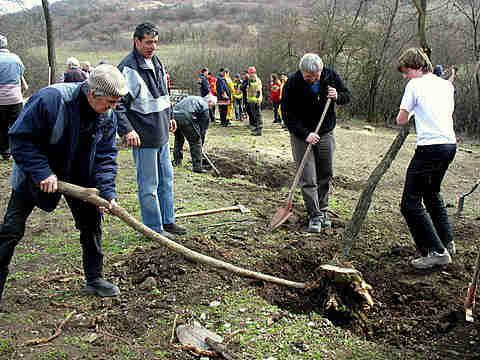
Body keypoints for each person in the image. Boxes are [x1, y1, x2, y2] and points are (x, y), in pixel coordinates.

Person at [0, 64, 128, 305]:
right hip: (35, 171)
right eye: (110, 102)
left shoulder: (107, 114)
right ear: (92, 94)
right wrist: (42, 172)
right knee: (11, 230)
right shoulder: (52, 100)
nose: (113, 109)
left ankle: (94, 279)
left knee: (91, 225)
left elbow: (106, 157)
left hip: (80, 176)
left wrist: (108, 192)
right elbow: (20, 139)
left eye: (116, 103)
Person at [116, 22, 186, 239]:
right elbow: (117, 104)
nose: (152, 46)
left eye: (155, 42)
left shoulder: (157, 62)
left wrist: (171, 117)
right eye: (148, 42)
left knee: (166, 180)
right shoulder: (127, 68)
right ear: (136, 41)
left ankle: (168, 221)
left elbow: (164, 95)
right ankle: (153, 229)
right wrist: (127, 130)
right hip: (143, 137)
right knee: (148, 186)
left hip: (162, 133)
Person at [396, 48, 457, 269]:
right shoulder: (446, 85)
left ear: (419, 67)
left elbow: (401, 119)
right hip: (449, 145)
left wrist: (410, 111)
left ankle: (436, 251)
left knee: (409, 203)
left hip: (429, 147)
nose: (405, 76)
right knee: (431, 194)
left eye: (406, 71)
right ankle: (447, 242)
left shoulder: (415, 85)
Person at [282, 53, 351, 233]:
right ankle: (314, 215)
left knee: (325, 173)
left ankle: (324, 210)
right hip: (301, 136)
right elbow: (287, 115)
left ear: (321, 70)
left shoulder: (330, 76)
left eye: (316, 76)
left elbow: (346, 96)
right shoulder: (292, 83)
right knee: (308, 176)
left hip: (325, 132)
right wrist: (305, 134)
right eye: (308, 77)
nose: (313, 79)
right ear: (301, 71)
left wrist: (338, 96)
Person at [0, 34, 28, 161]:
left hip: (1, 100)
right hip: (16, 99)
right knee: (17, 125)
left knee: (2, 126)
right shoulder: (16, 58)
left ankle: (5, 152)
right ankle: (19, 150)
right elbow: (21, 75)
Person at [172, 95, 214, 173]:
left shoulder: (196, 99)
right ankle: (198, 167)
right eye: (212, 105)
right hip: (186, 116)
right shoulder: (205, 106)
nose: (211, 107)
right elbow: (203, 129)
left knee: (178, 138)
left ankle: (177, 161)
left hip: (174, 115)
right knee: (195, 141)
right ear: (210, 103)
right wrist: (200, 145)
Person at [245, 66, 263, 136]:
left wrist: (258, 100)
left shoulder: (256, 80)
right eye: (250, 73)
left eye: (251, 73)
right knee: (253, 115)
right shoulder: (249, 80)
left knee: (257, 115)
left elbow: (258, 91)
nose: (250, 74)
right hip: (251, 101)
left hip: (256, 101)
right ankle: (256, 127)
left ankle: (259, 129)